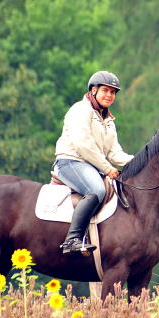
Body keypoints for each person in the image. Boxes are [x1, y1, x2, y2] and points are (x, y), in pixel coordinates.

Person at [53, 71, 134, 254]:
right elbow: (83, 145)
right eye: (105, 90)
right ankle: (72, 240)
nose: (109, 95)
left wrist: (142, 161)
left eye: (113, 92)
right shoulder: (80, 110)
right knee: (97, 190)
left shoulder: (109, 121)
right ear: (93, 90)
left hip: (91, 166)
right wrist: (107, 169)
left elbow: (115, 153)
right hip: (70, 162)